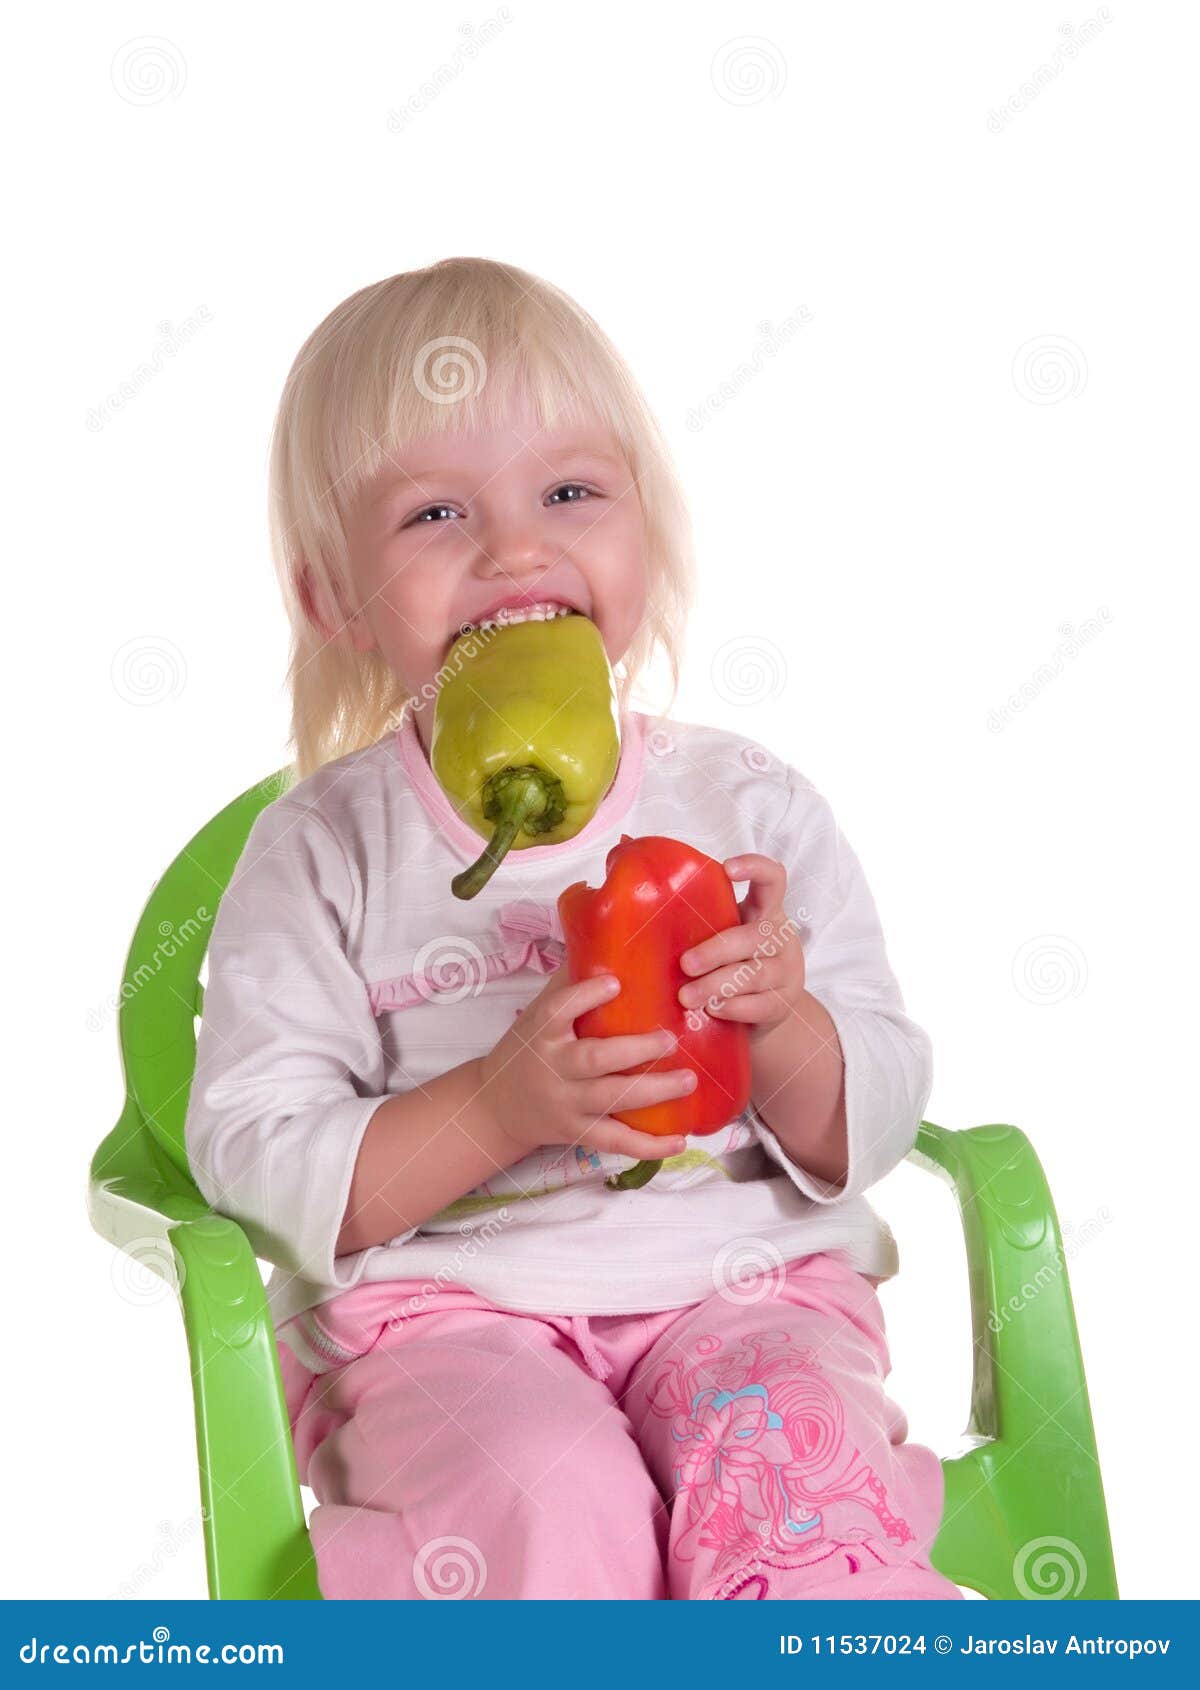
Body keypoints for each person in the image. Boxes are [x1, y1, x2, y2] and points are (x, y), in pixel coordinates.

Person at [184, 256, 963, 1602]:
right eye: (435, 511)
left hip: (746, 1291)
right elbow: (254, 1147)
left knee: (787, 1465)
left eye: (569, 493)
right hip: (449, 1326)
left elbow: (872, 1112)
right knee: (553, 1495)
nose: (515, 548)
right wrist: (494, 1104)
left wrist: (782, 1027)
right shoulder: (323, 851)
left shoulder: (749, 805)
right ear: (337, 600)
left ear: (642, 533)